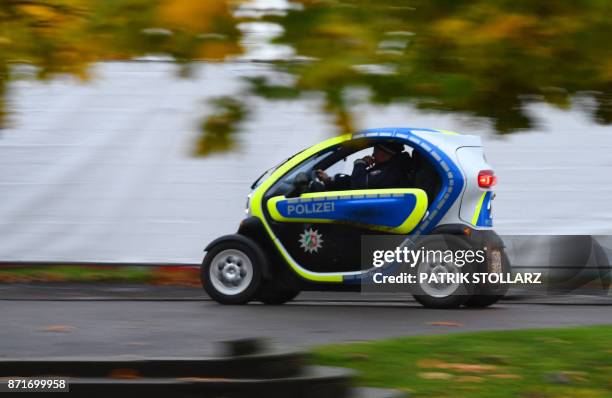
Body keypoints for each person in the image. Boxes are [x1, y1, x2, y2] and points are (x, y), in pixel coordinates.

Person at [316, 142, 410, 190]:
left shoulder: (391, 171)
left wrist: (360, 164)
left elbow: (358, 187)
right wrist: (330, 180)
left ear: (384, 153)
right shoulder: (386, 167)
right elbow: (353, 181)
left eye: (376, 150)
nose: (373, 154)